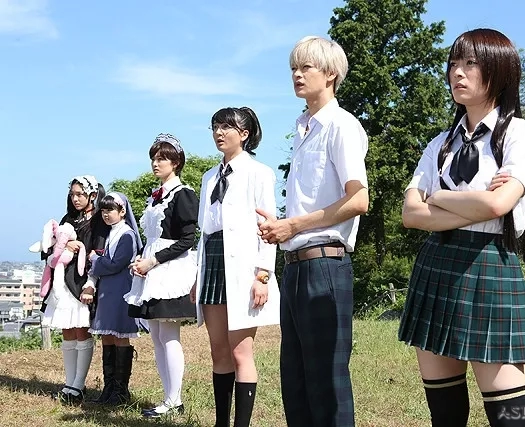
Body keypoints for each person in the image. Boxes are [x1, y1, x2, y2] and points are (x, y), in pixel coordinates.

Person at [398, 28, 525, 427]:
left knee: (511, 415)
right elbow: (411, 214)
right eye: (453, 64)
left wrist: (437, 197)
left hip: (490, 264)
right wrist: (475, 202)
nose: (457, 73)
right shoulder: (440, 144)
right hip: (436, 264)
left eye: (470, 64)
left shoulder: (521, 134)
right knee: (445, 414)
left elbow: (499, 204)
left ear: (499, 71)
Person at [258, 36, 369, 427]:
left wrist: (293, 224)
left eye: (306, 67)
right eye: (294, 67)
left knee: (327, 385)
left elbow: (359, 199)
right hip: (294, 265)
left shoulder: (341, 125)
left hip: (326, 265)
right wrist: (281, 227)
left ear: (331, 74)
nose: (297, 74)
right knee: (296, 381)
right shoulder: (303, 128)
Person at [190, 106, 280, 427]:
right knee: (218, 350)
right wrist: (198, 276)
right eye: (215, 126)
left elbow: (269, 227)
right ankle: (221, 423)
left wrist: (263, 275)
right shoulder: (209, 177)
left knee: (241, 351)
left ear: (244, 134)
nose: (219, 132)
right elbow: (204, 231)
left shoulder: (259, 172)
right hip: (213, 261)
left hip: (244, 267)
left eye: (226, 127)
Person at [123, 134, 198, 418]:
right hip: (151, 269)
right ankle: (168, 398)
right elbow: (153, 238)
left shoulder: (183, 194)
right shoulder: (157, 196)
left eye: (162, 158)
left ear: (176, 163)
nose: (156, 163)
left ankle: (175, 400)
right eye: (153, 158)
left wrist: (152, 261)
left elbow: (187, 240)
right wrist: (142, 260)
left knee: (168, 335)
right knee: (155, 335)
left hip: (170, 271)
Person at [41, 175, 108, 404]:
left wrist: (91, 283)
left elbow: (99, 252)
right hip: (63, 283)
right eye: (72, 194)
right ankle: (69, 383)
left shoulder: (98, 220)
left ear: (92, 194)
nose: (75, 198)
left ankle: (78, 385)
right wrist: (64, 244)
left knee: (82, 332)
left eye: (80, 194)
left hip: (83, 283)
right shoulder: (68, 218)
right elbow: (50, 245)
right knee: (67, 332)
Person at [87, 192, 143, 405]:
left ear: (122, 211)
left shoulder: (127, 234)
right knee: (107, 336)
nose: (106, 214)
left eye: (110, 210)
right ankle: (109, 389)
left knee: (119, 336)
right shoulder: (113, 232)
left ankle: (120, 391)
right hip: (108, 291)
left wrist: (95, 259)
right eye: (103, 210)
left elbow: (116, 264)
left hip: (120, 290)